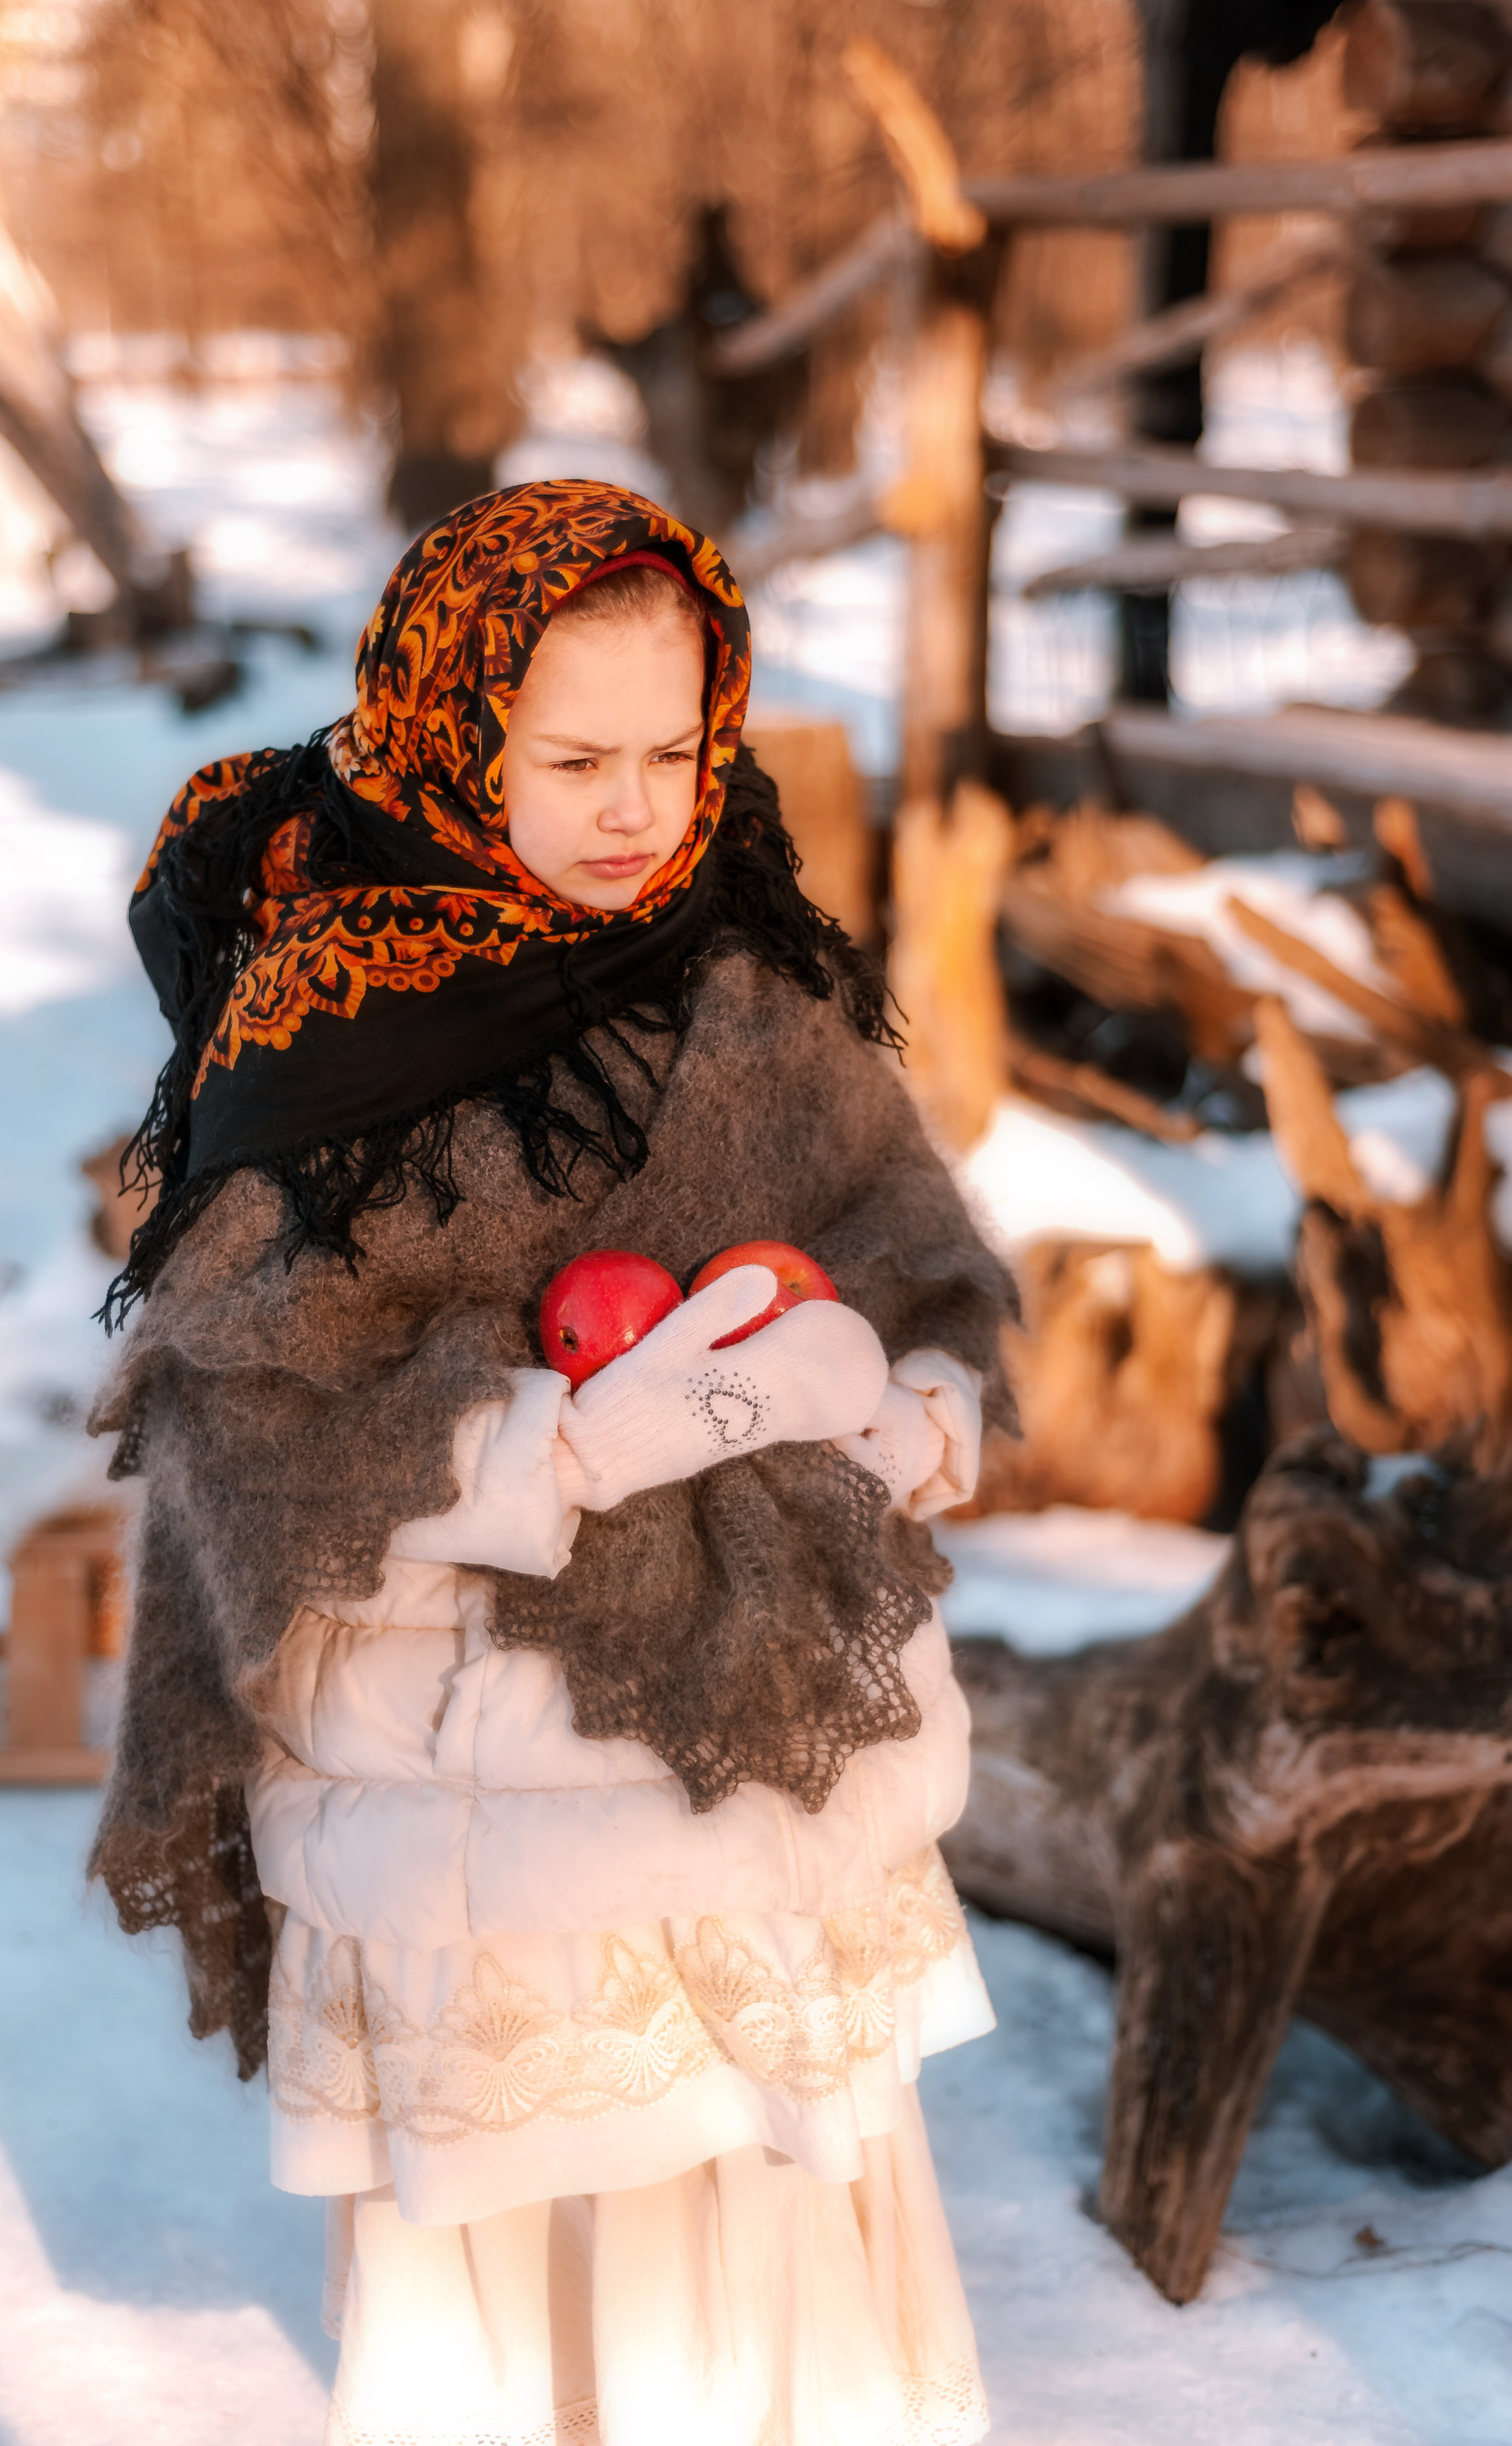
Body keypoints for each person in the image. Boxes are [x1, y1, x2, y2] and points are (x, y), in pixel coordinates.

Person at [91, 478, 1018, 2446]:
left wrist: (895, 1390)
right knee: (552, 2212)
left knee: (753, 2200)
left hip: (770, 1745)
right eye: (571, 755)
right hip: (479, 1766)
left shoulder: (747, 977)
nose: (633, 806)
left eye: (675, 753)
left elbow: (917, 1245)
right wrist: (555, 1444)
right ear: (452, 733)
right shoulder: (329, 1031)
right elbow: (243, 1415)